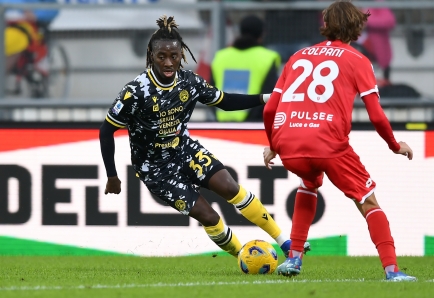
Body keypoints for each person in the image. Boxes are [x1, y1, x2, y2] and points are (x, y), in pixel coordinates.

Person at [99, 15, 308, 258]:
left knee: (231, 187)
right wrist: (112, 175)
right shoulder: (135, 91)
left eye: (174, 57)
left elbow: (225, 101)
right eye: (161, 57)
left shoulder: (190, 82)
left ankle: (285, 243)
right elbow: (106, 131)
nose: (168, 62)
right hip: (155, 169)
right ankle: (245, 256)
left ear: (181, 56)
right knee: (210, 216)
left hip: (184, 149)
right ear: (151, 56)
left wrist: (265, 98)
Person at [262, 0, 416, 281]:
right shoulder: (358, 60)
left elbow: (270, 108)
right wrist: (395, 145)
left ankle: (294, 258)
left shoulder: (297, 56)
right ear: (357, 26)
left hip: (289, 143)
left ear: (325, 24)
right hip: (328, 143)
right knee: (368, 201)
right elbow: (377, 116)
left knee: (308, 183)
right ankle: (392, 270)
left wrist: (273, 144)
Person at [210, 15, 281, 122]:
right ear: (262, 34)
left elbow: (208, 91)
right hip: (253, 125)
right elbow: (269, 94)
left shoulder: (220, 56)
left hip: (221, 123)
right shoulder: (268, 57)